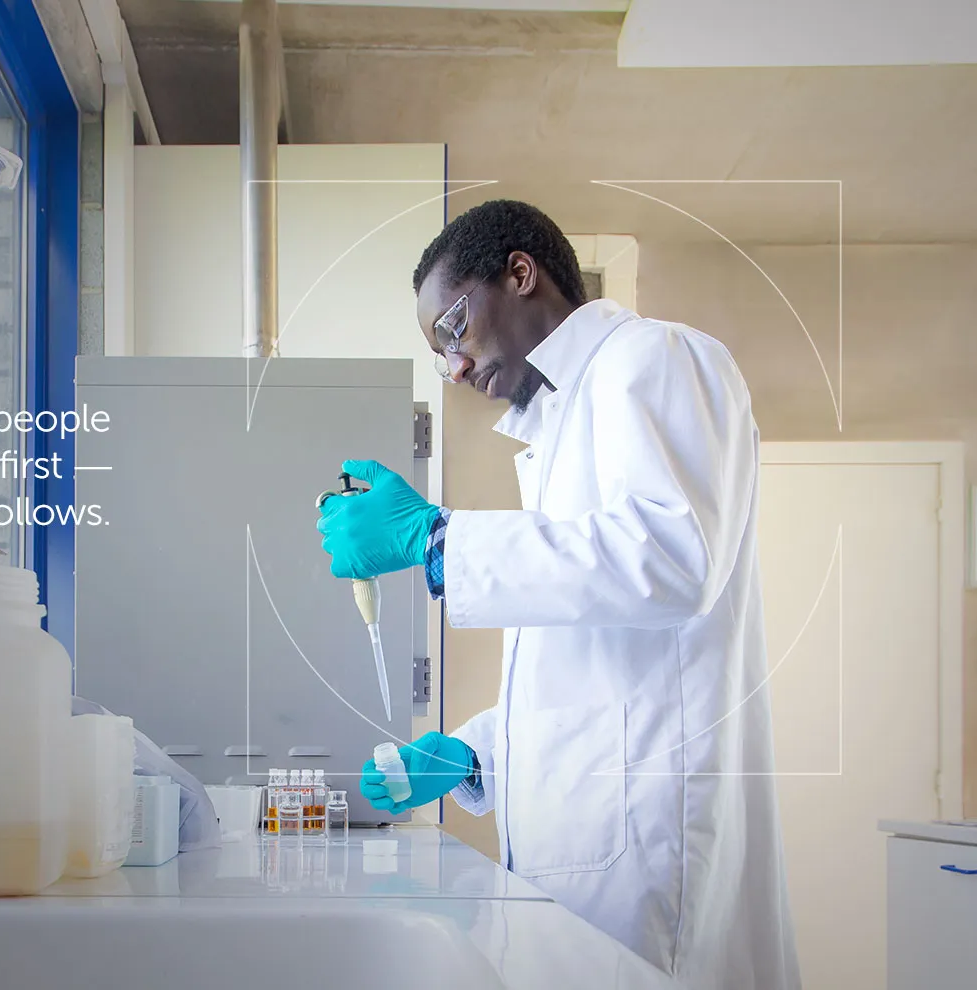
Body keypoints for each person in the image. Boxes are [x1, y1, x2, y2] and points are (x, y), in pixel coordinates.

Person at [315, 200, 800, 987]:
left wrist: (437, 539)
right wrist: (475, 751)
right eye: (441, 353)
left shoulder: (655, 358)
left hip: (645, 868)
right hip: (586, 864)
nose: (455, 366)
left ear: (519, 271)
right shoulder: (560, 425)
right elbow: (594, 669)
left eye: (452, 329)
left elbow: (674, 558)